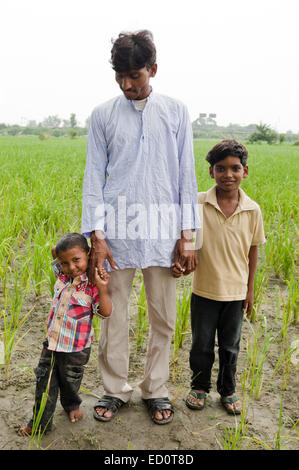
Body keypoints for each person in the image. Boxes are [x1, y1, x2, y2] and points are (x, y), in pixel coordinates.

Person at [82, 30, 200, 424]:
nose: (127, 84)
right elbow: (93, 179)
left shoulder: (176, 111)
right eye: (120, 75)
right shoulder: (102, 115)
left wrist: (187, 237)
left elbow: (186, 175)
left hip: (165, 234)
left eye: (135, 75)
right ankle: (115, 389)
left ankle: (156, 388)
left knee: (164, 316)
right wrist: (97, 237)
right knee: (113, 313)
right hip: (116, 234)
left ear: (153, 69)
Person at [172, 140, 266, 415]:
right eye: (220, 168)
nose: (228, 174)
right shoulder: (198, 203)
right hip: (204, 290)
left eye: (235, 168)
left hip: (236, 293)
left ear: (245, 171)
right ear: (211, 171)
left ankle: (228, 390)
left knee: (230, 347)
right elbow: (188, 243)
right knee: (201, 344)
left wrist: (250, 292)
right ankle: (199, 386)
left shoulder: (252, 209)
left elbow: (253, 252)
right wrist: (180, 264)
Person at [19, 233, 112, 435]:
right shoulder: (61, 275)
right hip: (52, 343)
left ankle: (72, 406)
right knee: (44, 383)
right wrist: (63, 253)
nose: (71, 267)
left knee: (70, 382)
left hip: (76, 349)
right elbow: (55, 252)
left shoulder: (92, 284)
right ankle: (40, 424)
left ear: (88, 254)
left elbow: (105, 312)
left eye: (76, 260)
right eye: (65, 263)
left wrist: (103, 289)